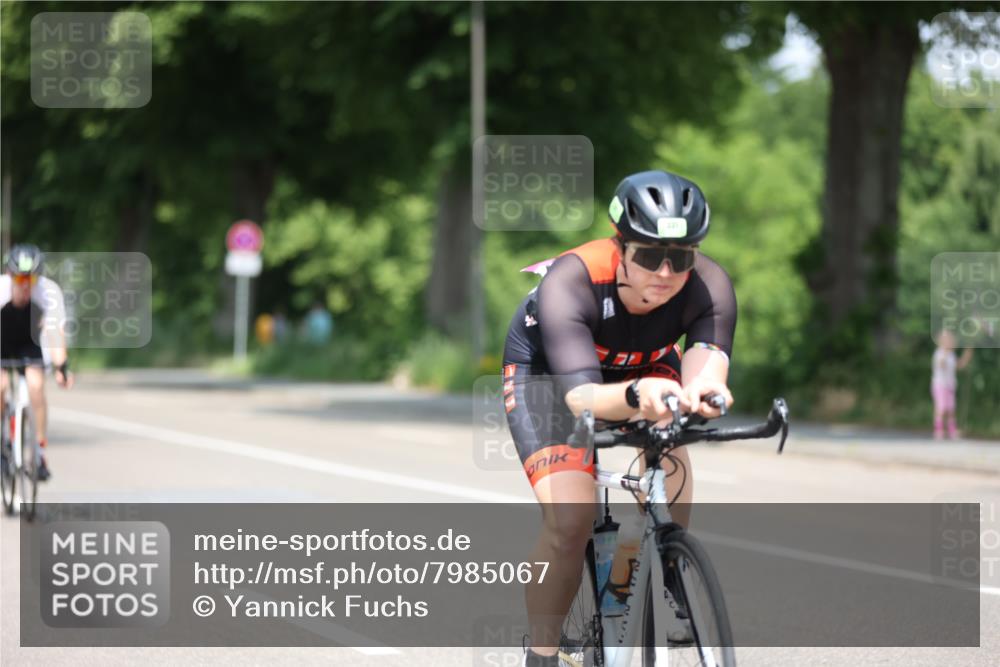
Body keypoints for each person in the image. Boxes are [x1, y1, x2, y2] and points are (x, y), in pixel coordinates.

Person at [502, 170, 736, 666]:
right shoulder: (574, 279)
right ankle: (541, 657)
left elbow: (704, 369)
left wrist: (704, 390)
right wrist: (635, 393)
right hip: (552, 374)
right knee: (570, 521)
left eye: (682, 257)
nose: (667, 272)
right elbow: (582, 396)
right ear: (620, 246)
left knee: (674, 438)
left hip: (643, 364)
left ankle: (670, 570)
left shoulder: (709, 285)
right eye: (650, 256)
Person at [0, 244, 74, 481]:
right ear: (10, 275)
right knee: (0, 386)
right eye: (20, 278)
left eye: (31, 279)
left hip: (29, 341)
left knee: (36, 386)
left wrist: (62, 367)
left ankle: (40, 450)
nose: (25, 284)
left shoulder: (48, 292)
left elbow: (55, 334)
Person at [931, 329, 972, 440]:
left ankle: (951, 431)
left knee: (951, 409)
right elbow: (941, 364)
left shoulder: (951, 355)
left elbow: (959, 365)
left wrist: (967, 354)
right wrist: (946, 351)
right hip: (940, 385)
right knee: (941, 408)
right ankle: (938, 431)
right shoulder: (939, 353)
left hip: (950, 385)